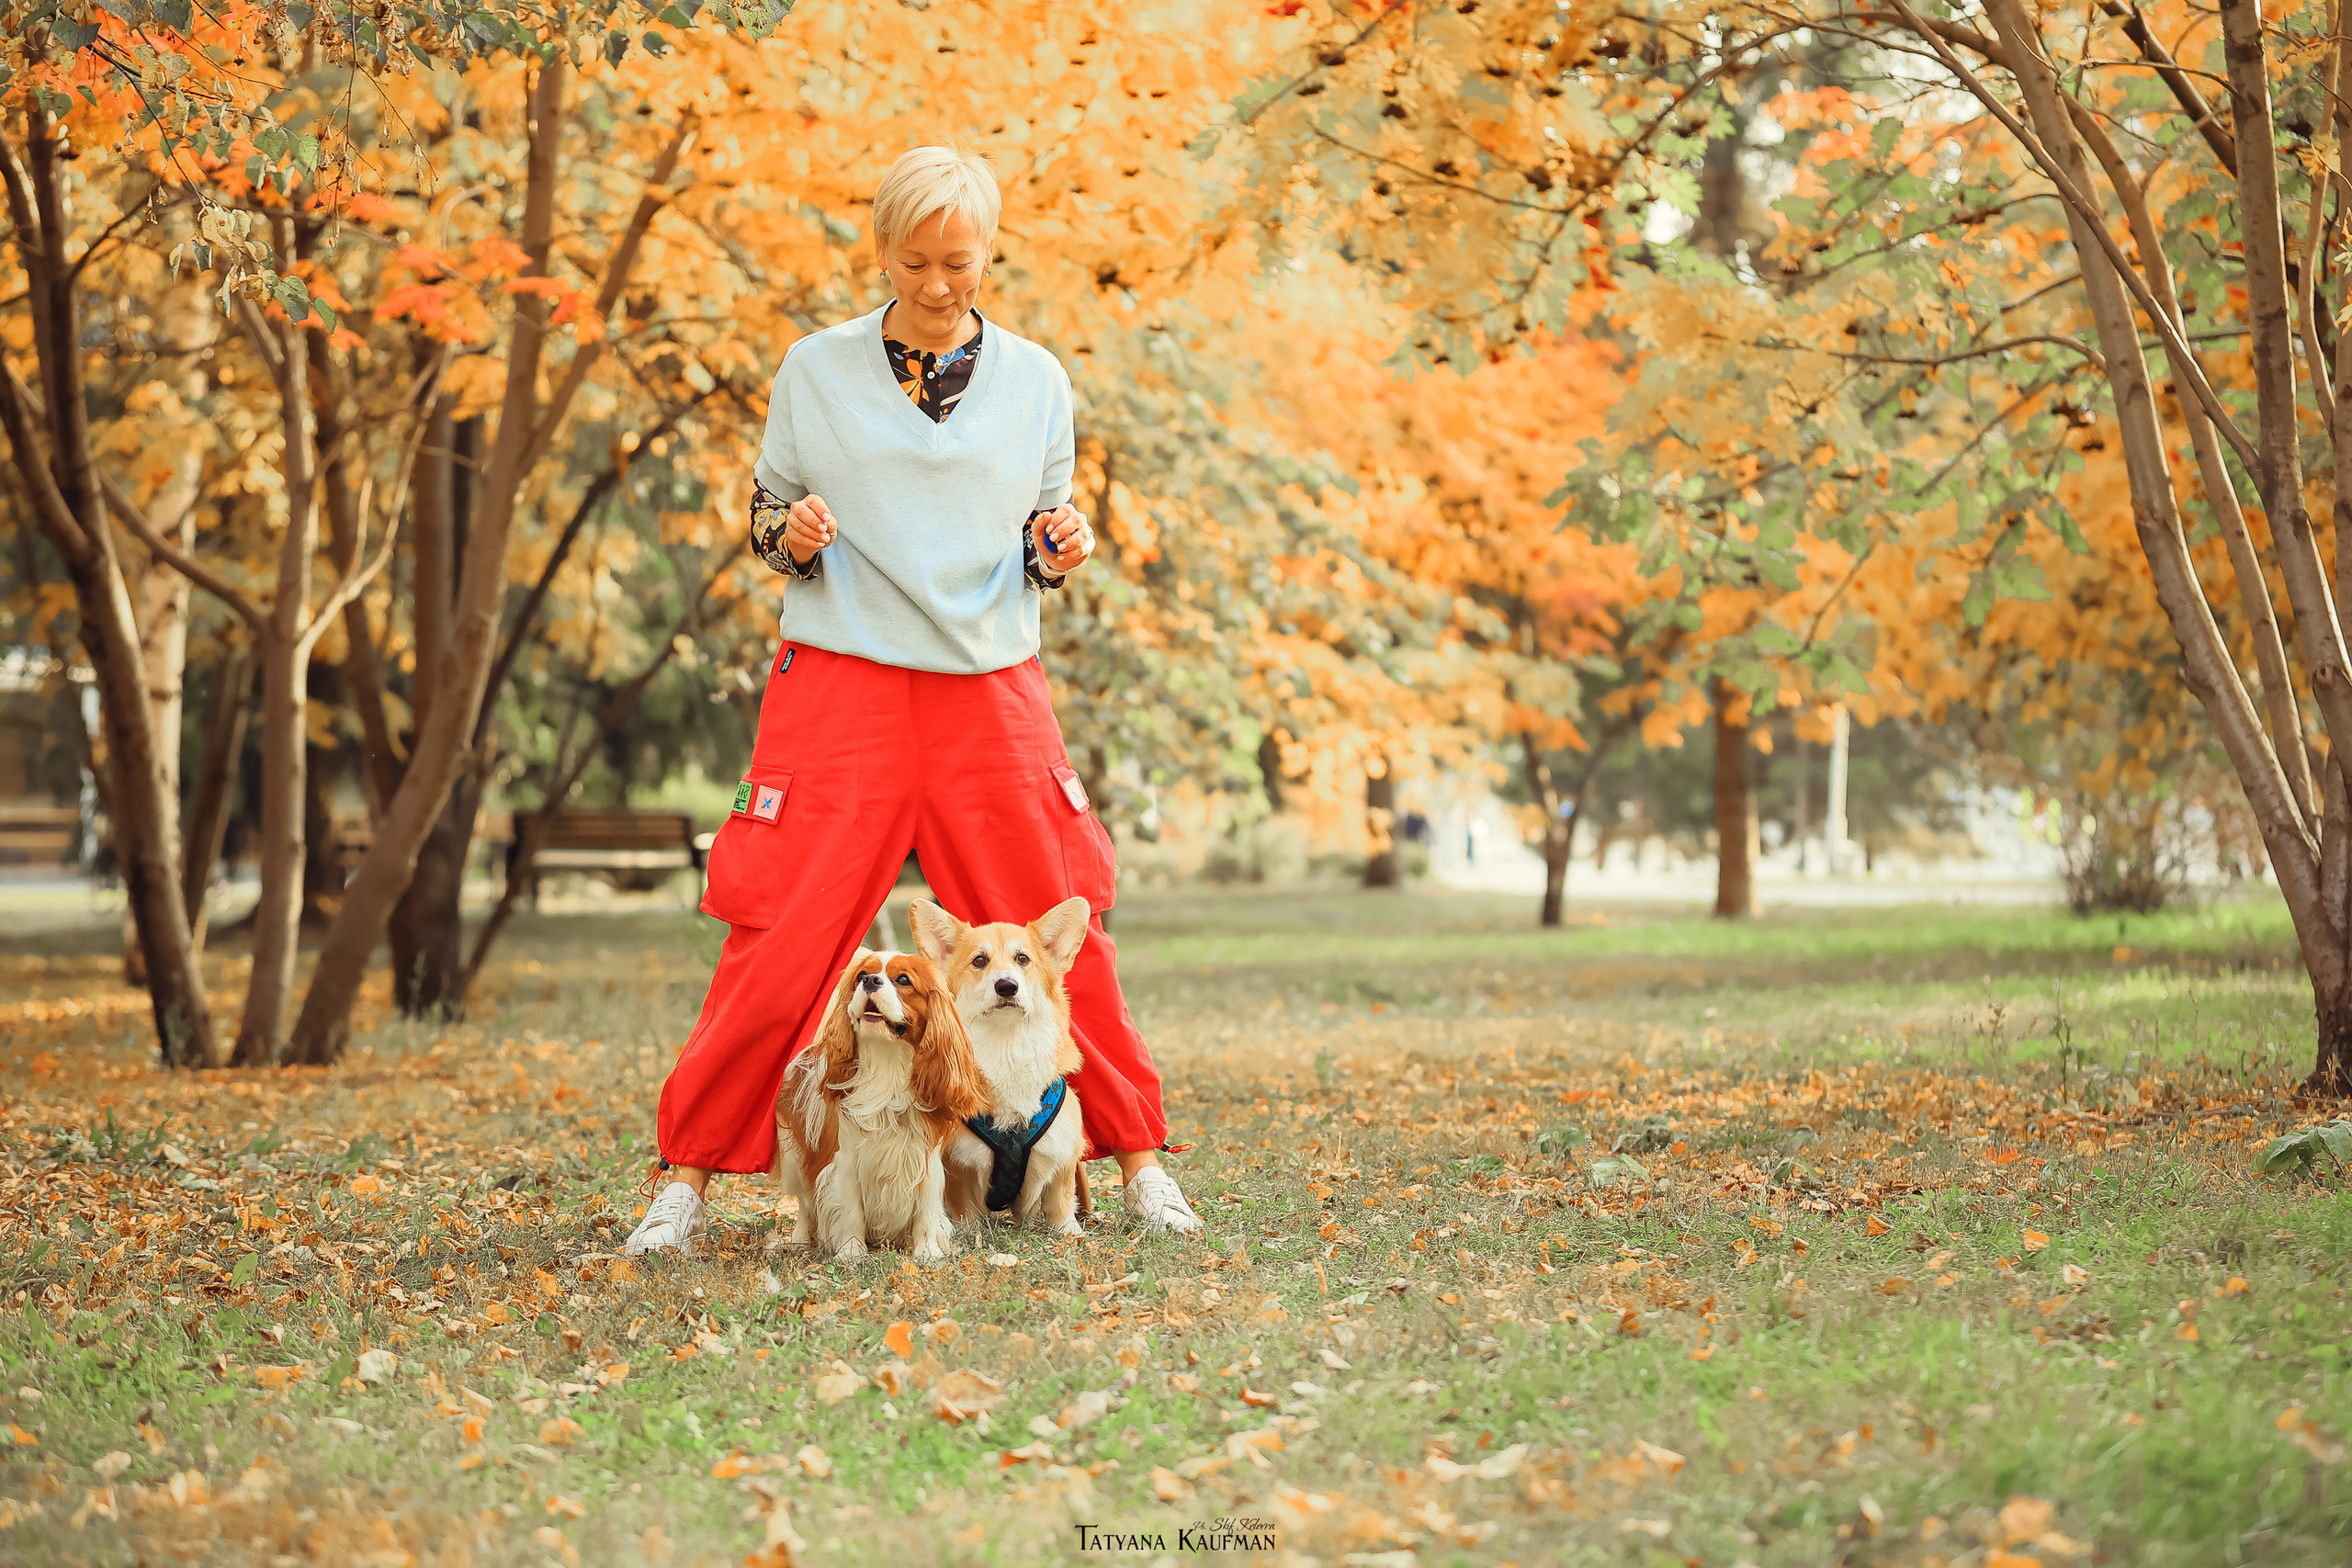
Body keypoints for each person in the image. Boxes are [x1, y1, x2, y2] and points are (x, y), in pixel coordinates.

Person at [624, 144, 1203, 1255]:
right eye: (917, 262)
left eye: (962, 262)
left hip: (989, 687)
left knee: (1062, 926)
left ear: (990, 252)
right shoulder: (814, 369)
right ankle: (683, 1186)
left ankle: (1137, 1166)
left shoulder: (1036, 379)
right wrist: (788, 535)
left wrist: (1060, 546)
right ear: (882, 253)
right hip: (842, 685)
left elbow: (1041, 537)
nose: (940, 285)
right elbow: (767, 516)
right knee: (776, 937)